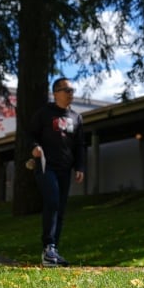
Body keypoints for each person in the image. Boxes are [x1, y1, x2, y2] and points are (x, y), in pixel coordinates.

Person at [28, 77, 86, 267]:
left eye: (72, 90)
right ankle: (48, 248)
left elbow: (79, 145)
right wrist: (34, 147)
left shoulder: (77, 118)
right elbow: (30, 135)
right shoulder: (44, 114)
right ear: (56, 93)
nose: (71, 94)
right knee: (52, 202)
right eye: (67, 90)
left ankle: (53, 251)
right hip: (46, 167)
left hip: (65, 169)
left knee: (60, 208)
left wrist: (80, 167)